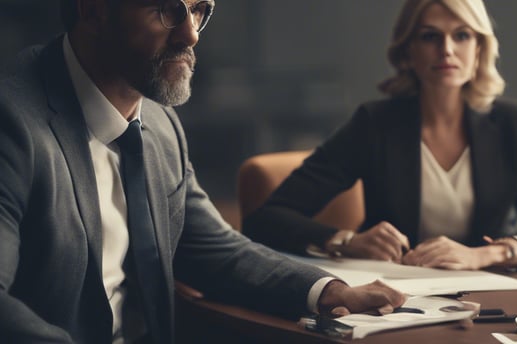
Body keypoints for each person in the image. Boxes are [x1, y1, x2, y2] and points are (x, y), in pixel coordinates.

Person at [0, 0, 405, 342]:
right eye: (166, 10)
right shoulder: (12, 122)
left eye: (198, 10)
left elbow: (215, 250)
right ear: (93, 10)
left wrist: (330, 290)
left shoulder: (160, 124)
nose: (190, 35)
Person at [242, 0, 517, 270]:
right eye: (431, 36)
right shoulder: (375, 123)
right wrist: (345, 241)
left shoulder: (511, 122)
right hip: (393, 297)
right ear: (407, 51)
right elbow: (266, 219)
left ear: (479, 49)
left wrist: (489, 253)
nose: (447, 49)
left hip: (491, 298)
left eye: (461, 35)